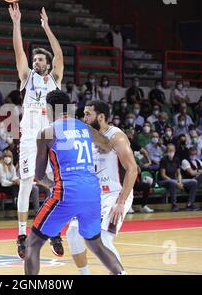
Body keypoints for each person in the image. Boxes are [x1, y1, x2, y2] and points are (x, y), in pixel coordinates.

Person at [26, 91, 128, 275]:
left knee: (32, 244)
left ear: (50, 109)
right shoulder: (84, 127)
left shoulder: (47, 132)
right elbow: (106, 144)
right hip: (92, 193)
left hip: (66, 192)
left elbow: (39, 176)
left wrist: (53, 184)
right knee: (96, 244)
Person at [9, 3, 65, 259]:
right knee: (27, 184)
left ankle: (52, 230)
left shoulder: (55, 77)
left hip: (52, 135)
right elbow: (18, 50)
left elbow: (59, 53)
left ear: (48, 63)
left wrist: (47, 27)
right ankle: (22, 236)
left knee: (55, 186)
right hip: (31, 137)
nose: (35, 61)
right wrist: (17, 22)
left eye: (40, 59)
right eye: (34, 59)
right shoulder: (26, 77)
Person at [65, 100, 137, 275]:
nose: (84, 118)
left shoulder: (116, 136)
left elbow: (132, 169)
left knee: (102, 239)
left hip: (115, 195)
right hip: (91, 196)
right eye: (84, 114)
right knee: (73, 234)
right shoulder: (84, 137)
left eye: (88, 114)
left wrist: (121, 202)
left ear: (102, 117)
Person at [159, 144, 198, 212]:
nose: (171, 152)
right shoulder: (163, 160)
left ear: (175, 151)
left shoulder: (176, 159)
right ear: (167, 151)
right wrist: (177, 183)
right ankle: (174, 205)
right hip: (165, 181)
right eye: (169, 150)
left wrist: (179, 182)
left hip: (175, 180)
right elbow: (163, 175)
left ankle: (190, 204)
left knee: (194, 182)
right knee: (172, 183)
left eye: (173, 150)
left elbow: (179, 173)